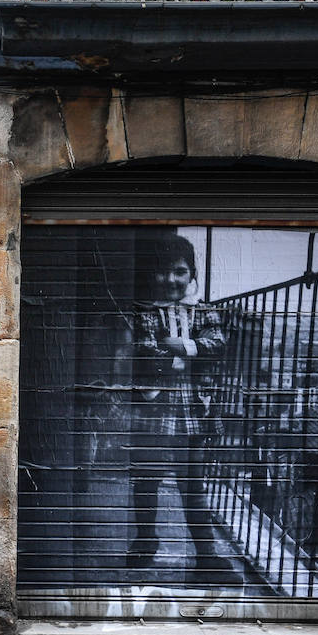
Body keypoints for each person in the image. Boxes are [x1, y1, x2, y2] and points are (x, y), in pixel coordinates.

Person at [124, 231, 227, 578]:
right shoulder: (146, 311)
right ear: (154, 274)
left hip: (193, 410)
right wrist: (189, 349)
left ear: (191, 274)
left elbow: (217, 345)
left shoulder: (205, 310)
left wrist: (175, 345)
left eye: (180, 271)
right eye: (164, 271)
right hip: (155, 409)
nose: (171, 279)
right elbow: (144, 350)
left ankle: (206, 557)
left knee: (193, 485)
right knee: (146, 480)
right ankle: (145, 541)